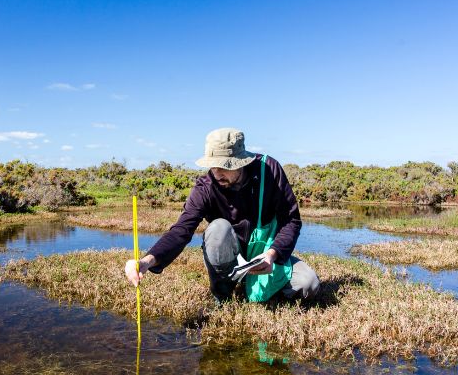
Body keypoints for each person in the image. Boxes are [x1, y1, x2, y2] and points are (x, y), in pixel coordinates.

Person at [123, 127, 320, 302]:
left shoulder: (269, 171)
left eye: (224, 166)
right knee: (218, 229)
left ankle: (257, 287)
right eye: (212, 165)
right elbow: (181, 231)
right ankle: (223, 293)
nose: (217, 173)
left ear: (241, 162)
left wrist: (272, 254)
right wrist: (146, 262)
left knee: (308, 284)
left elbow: (291, 220)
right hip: (227, 254)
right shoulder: (205, 188)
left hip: (264, 254)